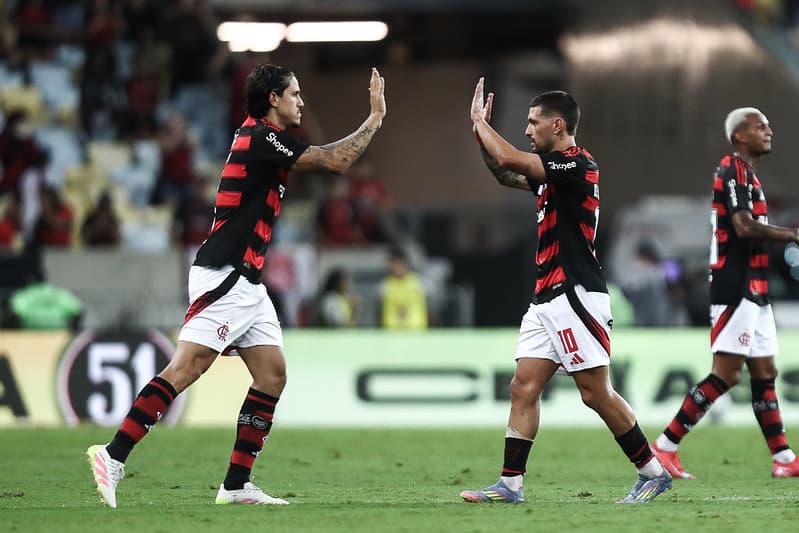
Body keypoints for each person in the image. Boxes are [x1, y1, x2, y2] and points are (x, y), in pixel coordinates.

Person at [86, 64, 386, 507]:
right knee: (187, 367)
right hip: (225, 274)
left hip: (247, 280)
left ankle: (236, 484)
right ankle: (112, 455)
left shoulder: (259, 137)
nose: (302, 101)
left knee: (272, 374)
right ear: (272, 99)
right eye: (295, 94)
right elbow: (335, 161)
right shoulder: (263, 137)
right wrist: (375, 118)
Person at [460, 80, 671, 505]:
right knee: (523, 386)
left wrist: (482, 123)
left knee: (595, 392)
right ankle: (510, 484)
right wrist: (481, 137)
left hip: (577, 294)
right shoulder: (550, 175)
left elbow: (508, 156)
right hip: (546, 298)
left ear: (558, 125)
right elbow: (503, 172)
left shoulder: (576, 164)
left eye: (532, 122)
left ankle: (652, 471)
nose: (527, 131)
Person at [652, 107, 799, 479]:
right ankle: (665, 447)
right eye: (759, 125)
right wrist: (792, 233)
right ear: (739, 137)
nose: (769, 129)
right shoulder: (731, 168)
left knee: (765, 372)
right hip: (736, 287)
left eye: (768, 124)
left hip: (756, 288)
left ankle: (783, 459)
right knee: (727, 375)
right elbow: (744, 226)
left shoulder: (749, 174)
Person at [380, 246, 428, 329]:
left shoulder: (419, 283)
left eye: (400, 263)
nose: (397, 267)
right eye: (394, 264)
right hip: (391, 334)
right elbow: (379, 312)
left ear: (406, 263)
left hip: (416, 333)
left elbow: (432, 310)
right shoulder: (385, 286)